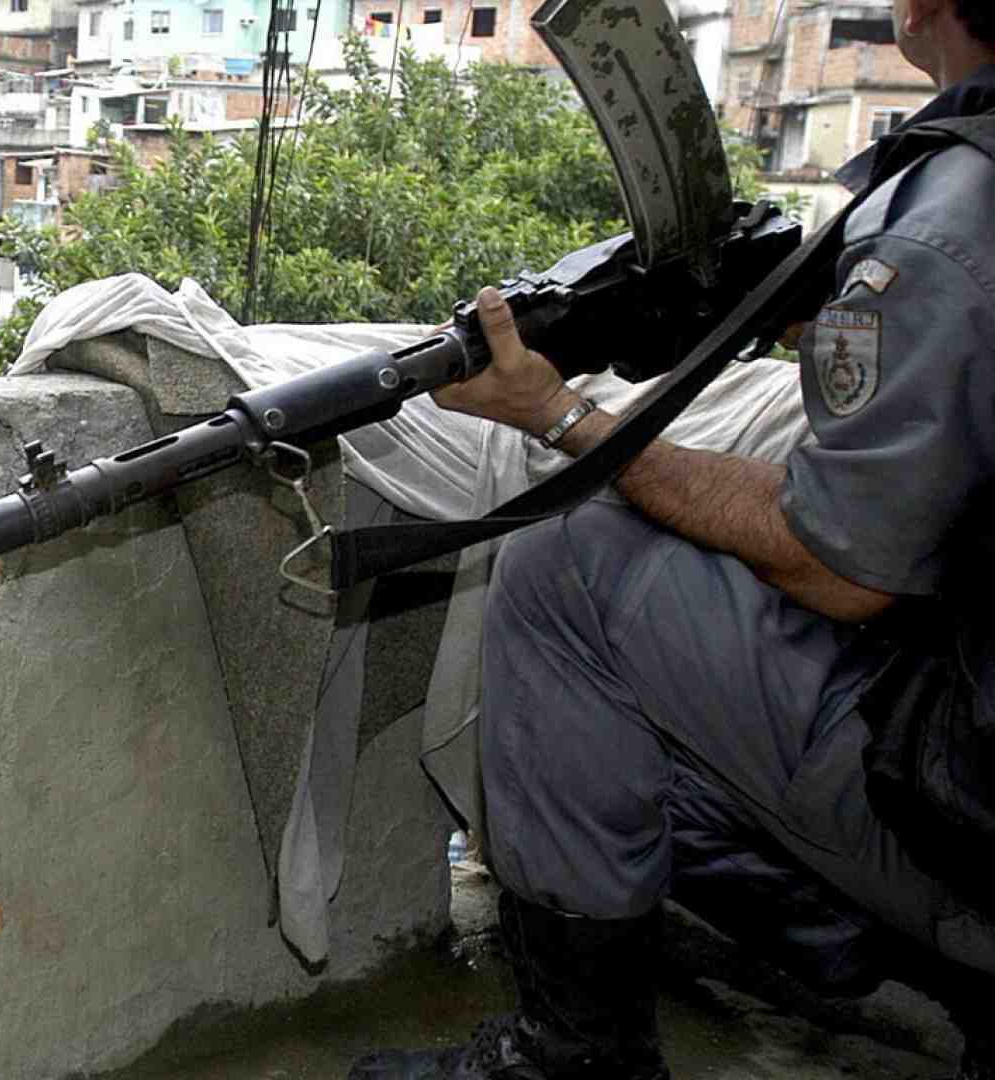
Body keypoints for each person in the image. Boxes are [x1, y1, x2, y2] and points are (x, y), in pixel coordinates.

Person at [350, 2, 995, 1077]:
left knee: (567, 575)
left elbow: (840, 568)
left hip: (966, 822)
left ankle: (574, 1056)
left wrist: (559, 415)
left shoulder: (949, 223)